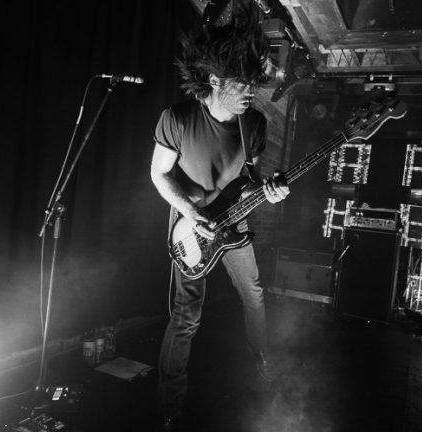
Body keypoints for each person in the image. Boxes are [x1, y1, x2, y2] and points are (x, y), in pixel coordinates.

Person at [149, 6, 289, 431]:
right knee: (186, 317)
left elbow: (249, 181)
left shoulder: (255, 125)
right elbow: (159, 174)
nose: (251, 91)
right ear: (214, 78)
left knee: (255, 295)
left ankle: (261, 358)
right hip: (191, 227)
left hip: (234, 225)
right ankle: (168, 409)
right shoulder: (177, 119)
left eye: (253, 82)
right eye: (242, 82)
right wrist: (191, 213)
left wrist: (266, 192)